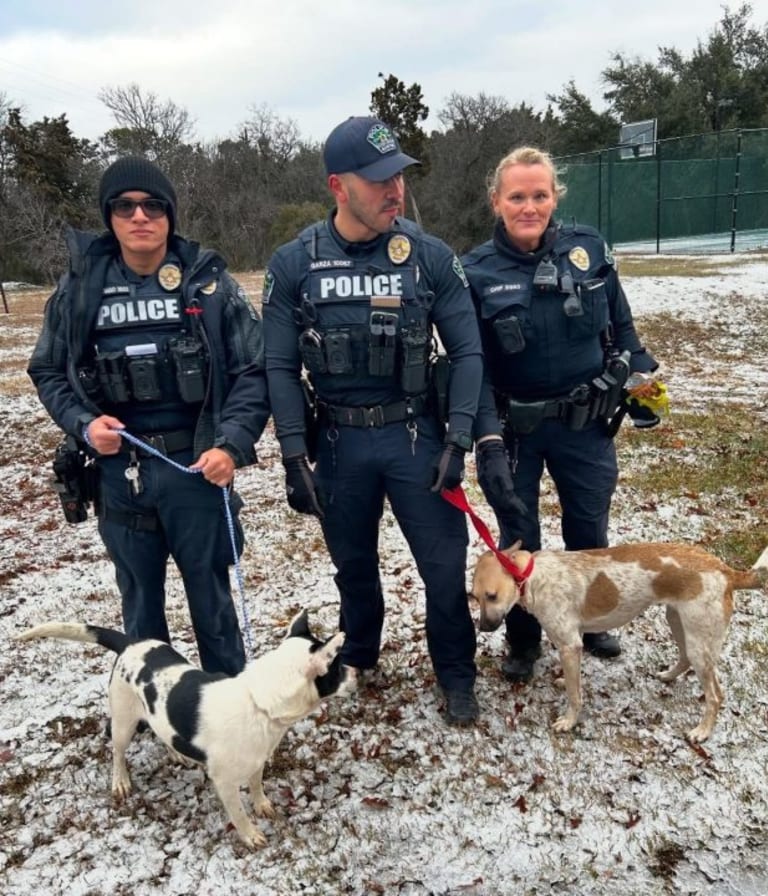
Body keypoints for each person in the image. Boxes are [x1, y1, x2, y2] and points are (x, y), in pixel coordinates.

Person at [262, 116, 483, 725]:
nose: (395, 190)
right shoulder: (294, 264)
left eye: (400, 177)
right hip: (338, 442)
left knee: (443, 566)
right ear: (339, 185)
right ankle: (359, 654)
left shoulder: (429, 256)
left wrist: (459, 437)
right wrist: (292, 453)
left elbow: (468, 351)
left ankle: (456, 673)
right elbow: (278, 365)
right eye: (380, 179)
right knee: (353, 565)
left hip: (415, 437)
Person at [28, 156, 271, 676]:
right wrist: (83, 425)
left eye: (153, 205)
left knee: (213, 604)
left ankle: (225, 701)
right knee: (140, 608)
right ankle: (152, 701)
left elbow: (254, 369)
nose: (140, 216)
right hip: (122, 472)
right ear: (109, 215)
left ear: (170, 215)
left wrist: (231, 444)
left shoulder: (208, 283)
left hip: (197, 466)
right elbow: (47, 369)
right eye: (125, 206)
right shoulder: (79, 289)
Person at [462, 146, 661, 683]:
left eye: (540, 195)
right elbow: (472, 365)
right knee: (518, 534)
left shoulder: (588, 249)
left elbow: (623, 328)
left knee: (589, 531)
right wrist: (486, 440)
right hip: (516, 430)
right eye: (517, 197)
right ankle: (525, 638)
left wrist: (640, 386)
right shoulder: (475, 271)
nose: (529, 207)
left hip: (586, 423)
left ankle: (591, 621)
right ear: (496, 201)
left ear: (555, 197)